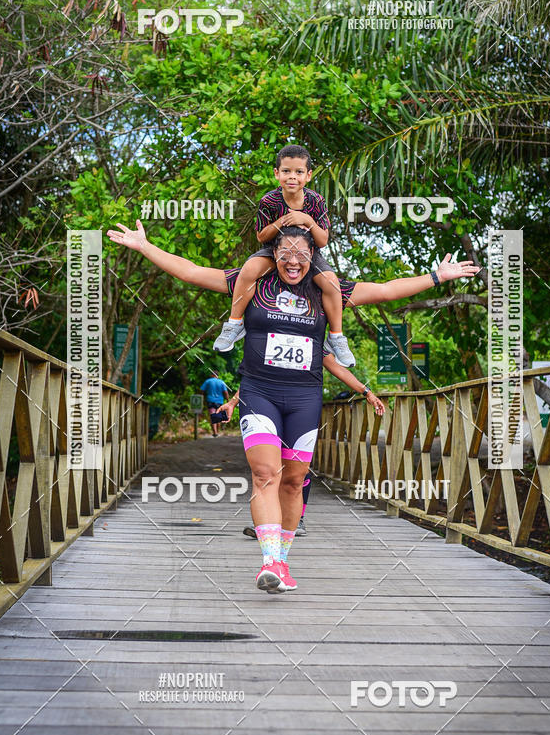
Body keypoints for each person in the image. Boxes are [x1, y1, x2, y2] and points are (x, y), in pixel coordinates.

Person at [106, 218, 480, 594]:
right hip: (259, 391)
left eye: (302, 254)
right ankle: (268, 561)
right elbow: (190, 271)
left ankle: (282, 562)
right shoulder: (252, 281)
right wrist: (145, 247)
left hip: (304, 398)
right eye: (285, 252)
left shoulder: (324, 288)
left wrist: (438, 276)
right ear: (274, 253)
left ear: (313, 256)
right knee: (266, 474)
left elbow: (384, 289)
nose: (293, 260)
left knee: (293, 481)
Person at [213, 144, 355, 368]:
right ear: (277, 173)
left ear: (308, 176)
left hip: (307, 253)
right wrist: (280, 222)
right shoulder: (269, 201)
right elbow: (261, 236)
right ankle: (234, 323)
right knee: (249, 269)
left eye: (299, 172)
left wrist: (306, 220)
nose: (292, 177)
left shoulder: (316, 201)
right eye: (286, 171)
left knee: (331, 282)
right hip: (274, 250)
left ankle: (336, 337)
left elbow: (323, 240)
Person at [230, 349, 386, 538]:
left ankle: (297, 519)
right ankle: (269, 523)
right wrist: (233, 402)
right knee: (267, 469)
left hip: (300, 407)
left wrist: (366, 391)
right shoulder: (268, 332)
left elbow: (337, 367)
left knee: (296, 470)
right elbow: (255, 379)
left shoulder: (312, 337)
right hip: (267, 405)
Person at [199, 372, 230, 437]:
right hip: (219, 402)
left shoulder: (208, 381)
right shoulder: (221, 382)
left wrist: (201, 398)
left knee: (213, 415)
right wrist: (228, 401)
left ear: (212, 375)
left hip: (210, 401)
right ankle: (217, 432)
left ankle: (215, 433)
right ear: (217, 375)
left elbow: (201, 390)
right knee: (218, 416)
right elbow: (226, 393)